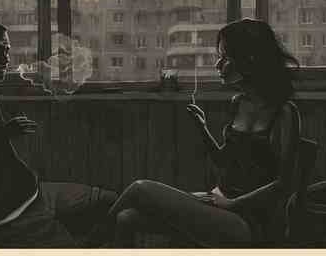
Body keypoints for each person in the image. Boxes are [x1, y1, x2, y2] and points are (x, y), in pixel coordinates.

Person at [104, 18, 301, 248]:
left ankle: (92, 242)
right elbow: (223, 160)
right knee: (126, 218)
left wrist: (232, 204)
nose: (218, 64)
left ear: (250, 59)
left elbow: (283, 184)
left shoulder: (284, 112)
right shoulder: (238, 103)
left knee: (140, 188)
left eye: (225, 58)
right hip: (221, 202)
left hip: (250, 220)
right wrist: (203, 128)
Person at [0, 21, 117, 248]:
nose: (7, 58)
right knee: (106, 216)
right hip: (4, 217)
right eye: (0, 50)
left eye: (7, 51)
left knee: (110, 202)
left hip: (30, 197)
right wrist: (4, 133)